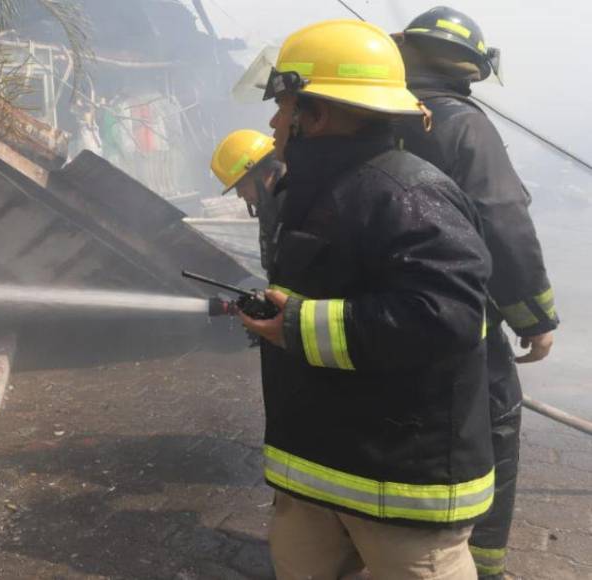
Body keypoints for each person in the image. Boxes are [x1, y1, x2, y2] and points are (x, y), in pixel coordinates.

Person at [241, 19, 495, 579]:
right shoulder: (309, 191)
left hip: (400, 489)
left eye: (284, 104)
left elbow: (444, 316)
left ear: (317, 114)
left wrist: (299, 325)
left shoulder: (409, 193)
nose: (273, 120)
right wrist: (275, 314)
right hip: (315, 471)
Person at [393, 8, 560, 578]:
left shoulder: (367, 116)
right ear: (472, 67)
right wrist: (534, 315)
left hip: (383, 316)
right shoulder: (462, 123)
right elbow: (502, 216)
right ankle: (482, 565)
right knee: (494, 428)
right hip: (461, 319)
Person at [210, 129, 285, 270]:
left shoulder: (296, 205)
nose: (239, 194)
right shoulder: (272, 206)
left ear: (266, 173)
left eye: (242, 185)